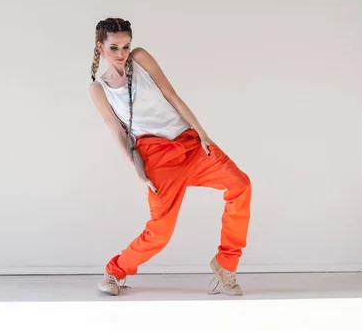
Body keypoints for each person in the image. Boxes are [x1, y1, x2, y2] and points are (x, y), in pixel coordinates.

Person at [88, 18, 252, 296]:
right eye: (114, 47)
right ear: (100, 47)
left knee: (240, 185)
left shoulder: (140, 59)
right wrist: (139, 174)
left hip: (189, 143)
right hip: (155, 158)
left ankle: (227, 263)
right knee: (160, 232)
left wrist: (203, 134)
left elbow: (172, 96)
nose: (121, 53)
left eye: (125, 46)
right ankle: (115, 271)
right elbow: (118, 133)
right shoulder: (99, 89)